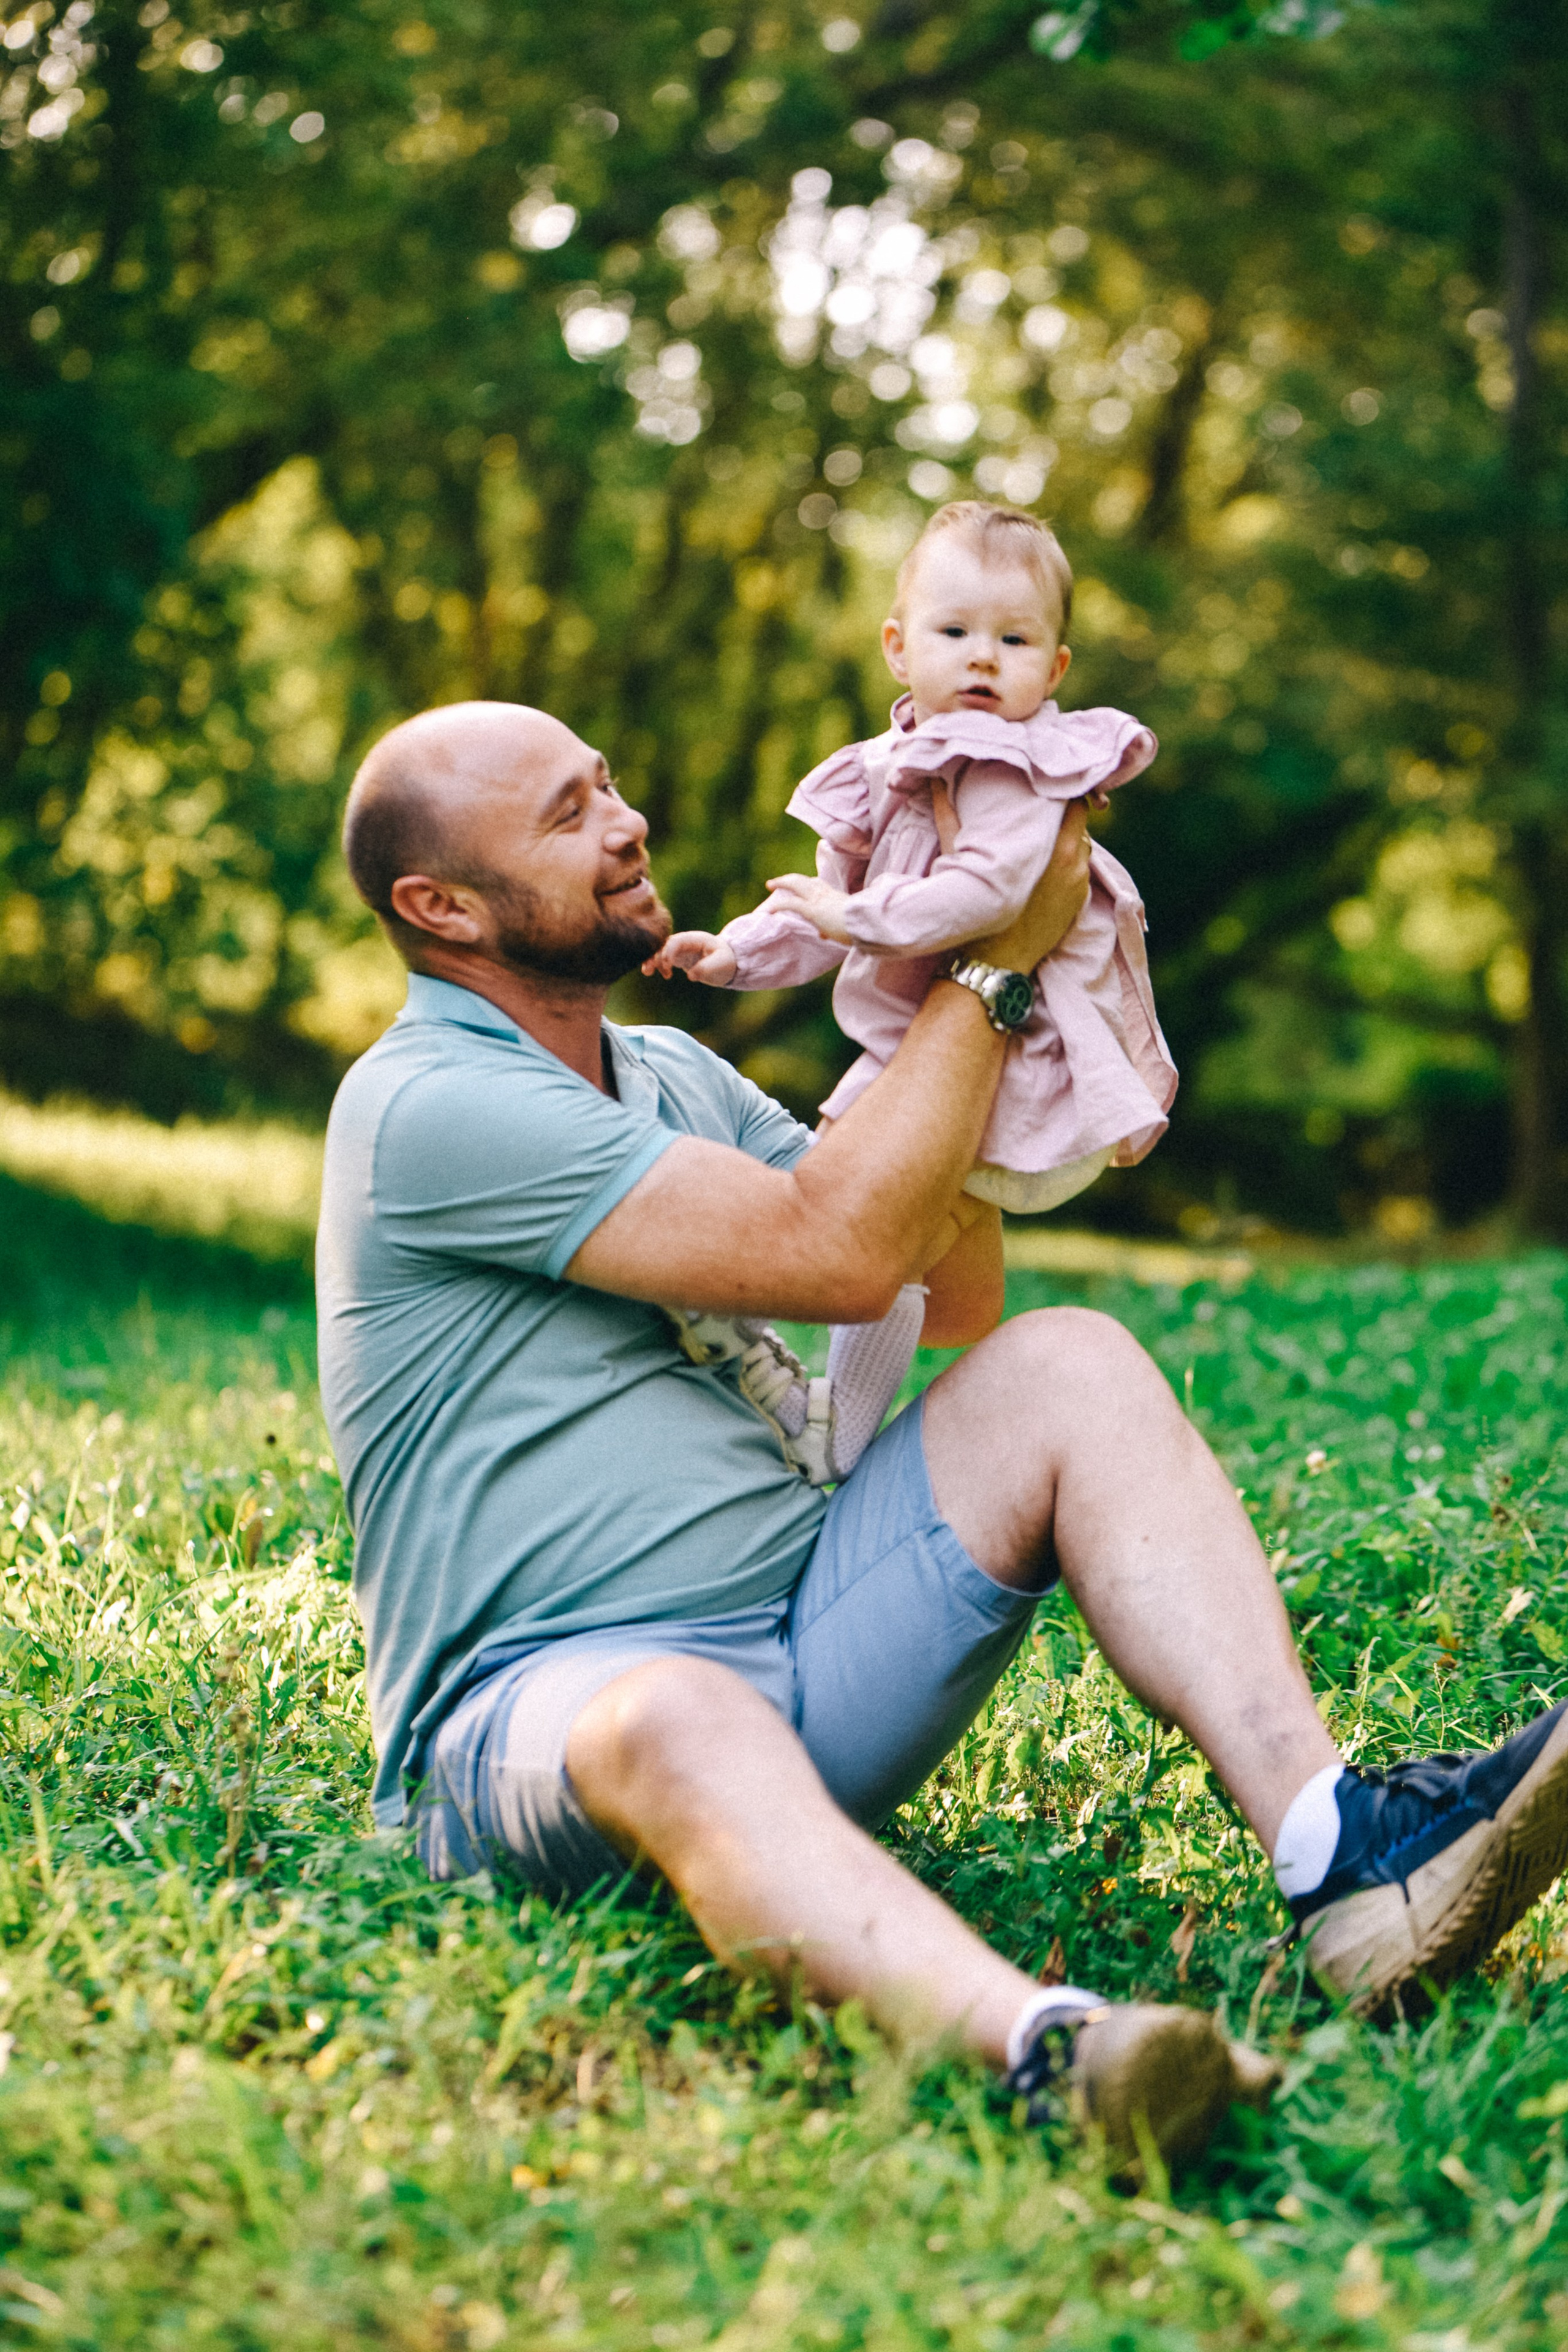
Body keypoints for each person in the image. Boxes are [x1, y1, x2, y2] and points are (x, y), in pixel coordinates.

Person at [317, 697, 1568, 2169]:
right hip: (539, 1728)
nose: (626, 822)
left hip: (803, 1634)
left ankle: (1342, 1860)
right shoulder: (426, 1105)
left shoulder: (668, 1076)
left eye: (607, 782)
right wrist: (990, 966)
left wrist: (937, 946)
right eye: (566, 813)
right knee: (673, 1714)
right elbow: (840, 1251)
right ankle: (1056, 2051)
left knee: (1065, 1364)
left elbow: (948, 1287)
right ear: (444, 909)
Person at [646, 501, 1176, 1485]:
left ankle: (813, 1409)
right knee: (939, 1283)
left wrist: (854, 919)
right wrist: (737, 952)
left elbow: (988, 894)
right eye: (955, 631)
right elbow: (830, 901)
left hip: (1017, 1054)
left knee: (854, 1192)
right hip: (944, 1039)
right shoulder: (891, 767)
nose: (982, 658)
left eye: (1014, 640)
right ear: (898, 648)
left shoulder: (1014, 768)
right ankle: (837, 1421)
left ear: (1055, 668)